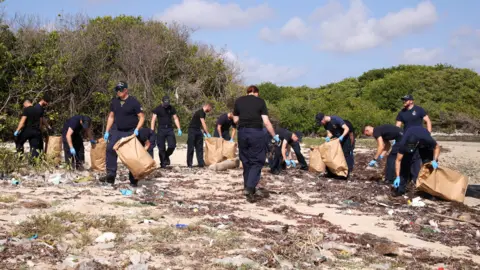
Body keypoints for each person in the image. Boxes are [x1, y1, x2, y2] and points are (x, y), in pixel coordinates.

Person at [233, 85, 279, 202]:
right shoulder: (260, 102)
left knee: (246, 160)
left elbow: (235, 120)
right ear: (256, 92)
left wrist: (244, 116)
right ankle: (250, 187)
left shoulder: (238, 101)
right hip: (255, 132)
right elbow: (266, 121)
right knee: (257, 160)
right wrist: (274, 136)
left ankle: (247, 186)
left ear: (247, 92)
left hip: (242, 132)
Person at [101, 81, 145, 185]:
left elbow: (142, 117)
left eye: (120, 90)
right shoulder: (115, 101)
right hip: (116, 130)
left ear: (126, 90)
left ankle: (133, 179)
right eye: (117, 90)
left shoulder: (134, 102)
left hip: (130, 131)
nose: (118, 92)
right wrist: (107, 131)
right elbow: (111, 116)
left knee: (130, 156)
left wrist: (137, 129)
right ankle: (111, 175)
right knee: (110, 149)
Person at [395, 94, 432, 184]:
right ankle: (408, 177)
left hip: (420, 137)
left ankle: (418, 178)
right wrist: (397, 138)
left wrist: (428, 134)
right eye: (403, 100)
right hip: (409, 139)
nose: (404, 101)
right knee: (409, 156)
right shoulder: (402, 113)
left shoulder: (419, 110)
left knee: (421, 157)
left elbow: (428, 121)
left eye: (406, 100)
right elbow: (398, 126)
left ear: (411, 101)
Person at [394, 126, 440, 196]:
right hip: (411, 135)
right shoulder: (403, 144)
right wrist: (397, 177)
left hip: (423, 141)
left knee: (428, 164)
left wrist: (434, 160)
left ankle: (427, 190)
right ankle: (401, 189)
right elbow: (398, 160)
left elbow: (437, 147)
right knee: (405, 163)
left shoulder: (427, 139)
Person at [316, 113, 355, 178]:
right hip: (336, 140)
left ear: (323, 118)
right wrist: (328, 137)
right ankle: (333, 172)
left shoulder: (336, 119)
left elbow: (346, 128)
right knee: (332, 154)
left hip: (345, 139)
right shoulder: (325, 125)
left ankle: (346, 173)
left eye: (321, 122)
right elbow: (329, 133)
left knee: (346, 154)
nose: (321, 124)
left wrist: (342, 136)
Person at [14, 96, 51, 160]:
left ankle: (19, 158)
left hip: (27, 130)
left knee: (19, 141)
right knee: (34, 147)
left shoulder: (26, 109)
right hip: (36, 131)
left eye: (24, 106)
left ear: (26, 103)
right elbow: (40, 121)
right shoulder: (38, 110)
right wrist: (41, 129)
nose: (24, 107)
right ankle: (33, 162)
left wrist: (17, 130)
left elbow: (22, 122)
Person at [151, 96, 182, 168]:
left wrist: (179, 129)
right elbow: (153, 120)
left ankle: (166, 156)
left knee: (172, 145)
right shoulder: (157, 109)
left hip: (169, 129)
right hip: (161, 129)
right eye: (165, 103)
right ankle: (163, 163)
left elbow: (175, 118)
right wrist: (152, 130)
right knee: (161, 148)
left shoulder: (171, 108)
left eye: (167, 104)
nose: (166, 105)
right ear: (162, 102)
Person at [186, 103, 212, 168]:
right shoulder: (200, 112)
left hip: (198, 130)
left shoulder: (204, 113)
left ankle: (201, 163)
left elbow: (201, 124)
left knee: (199, 147)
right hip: (192, 130)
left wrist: (204, 133)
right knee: (191, 147)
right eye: (210, 108)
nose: (210, 110)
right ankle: (189, 164)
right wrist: (208, 132)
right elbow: (203, 123)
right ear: (207, 106)